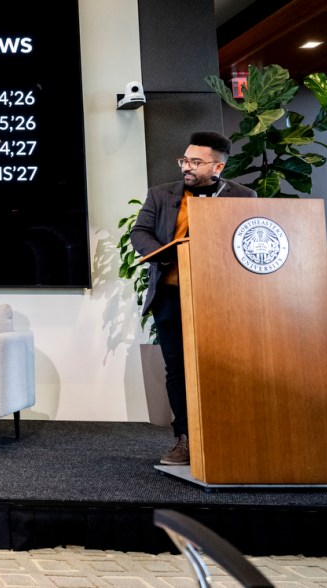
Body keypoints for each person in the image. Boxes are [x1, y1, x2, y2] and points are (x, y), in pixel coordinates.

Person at [131, 131, 255, 466]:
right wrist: (159, 253)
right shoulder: (161, 195)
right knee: (178, 370)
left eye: (196, 162)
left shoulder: (244, 196)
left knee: (224, 367)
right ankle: (184, 439)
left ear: (218, 166)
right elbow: (139, 232)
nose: (187, 167)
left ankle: (228, 436)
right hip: (172, 295)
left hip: (223, 300)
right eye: (185, 160)